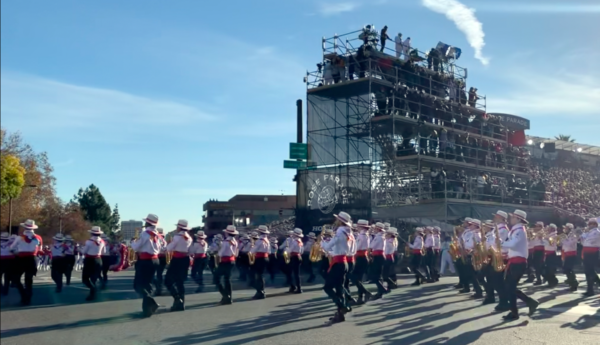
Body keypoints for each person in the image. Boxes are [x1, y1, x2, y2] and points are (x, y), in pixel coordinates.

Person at [501, 210, 539, 321]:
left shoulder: (519, 231)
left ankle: (519, 309)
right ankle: (521, 307)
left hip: (518, 262)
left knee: (510, 287)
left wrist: (500, 242)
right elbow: (509, 245)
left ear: (518, 219)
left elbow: (512, 244)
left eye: (513, 217)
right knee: (509, 287)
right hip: (513, 261)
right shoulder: (514, 230)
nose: (511, 219)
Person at [322, 212, 353, 324]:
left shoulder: (340, 233)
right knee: (339, 288)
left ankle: (342, 306)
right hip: (343, 262)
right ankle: (340, 314)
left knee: (327, 287)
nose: (335, 221)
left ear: (340, 221)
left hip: (338, 263)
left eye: (337, 219)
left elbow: (329, 246)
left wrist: (322, 244)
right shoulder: (347, 232)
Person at [132, 213, 163, 317]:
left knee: (138, 284)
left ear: (147, 223)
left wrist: (133, 242)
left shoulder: (145, 234)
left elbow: (136, 247)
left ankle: (151, 303)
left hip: (145, 260)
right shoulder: (158, 235)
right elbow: (162, 247)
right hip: (155, 259)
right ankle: (147, 310)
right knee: (148, 284)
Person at [10, 220, 43, 306]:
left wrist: (15, 252)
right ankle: (28, 297)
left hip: (21, 259)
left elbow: (11, 248)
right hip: (32, 259)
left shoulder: (19, 237)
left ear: (24, 227)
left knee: (16, 279)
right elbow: (40, 250)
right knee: (28, 280)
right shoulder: (38, 238)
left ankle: (24, 295)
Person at [165, 219, 193, 311]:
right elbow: (190, 251)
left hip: (177, 259)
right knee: (180, 282)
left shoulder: (177, 237)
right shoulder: (189, 237)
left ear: (180, 227)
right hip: (185, 259)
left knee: (167, 281)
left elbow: (169, 248)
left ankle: (177, 298)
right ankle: (181, 304)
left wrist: (165, 246)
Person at [215, 225, 239, 305]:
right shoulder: (235, 241)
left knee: (216, 279)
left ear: (227, 233)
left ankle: (226, 296)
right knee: (227, 279)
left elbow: (220, 253)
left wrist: (218, 249)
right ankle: (228, 297)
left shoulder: (225, 242)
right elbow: (236, 253)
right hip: (232, 260)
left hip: (225, 261)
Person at [80, 226, 106, 301]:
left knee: (85, 279)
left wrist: (81, 249)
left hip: (89, 260)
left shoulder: (89, 242)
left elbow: (83, 251)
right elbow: (104, 252)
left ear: (92, 233)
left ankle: (93, 290)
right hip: (98, 259)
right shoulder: (102, 241)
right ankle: (92, 295)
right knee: (93, 278)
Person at [461, 219, 483, 298]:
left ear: (476, 226)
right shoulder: (471, 233)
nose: (470, 226)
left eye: (472, 225)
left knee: (475, 275)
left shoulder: (477, 234)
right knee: (472, 275)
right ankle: (478, 290)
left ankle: (479, 291)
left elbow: (477, 246)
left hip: (474, 255)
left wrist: (471, 250)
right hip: (469, 254)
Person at [249, 225, 270, 299]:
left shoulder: (259, 241)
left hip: (260, 258)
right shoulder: (267, 240)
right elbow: (269, 251)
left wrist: (251, 249)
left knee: (258, 276)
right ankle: (262, 291)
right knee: (261, 275)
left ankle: (260, 292)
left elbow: (253, 250)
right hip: (265, 257)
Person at [581, 218, 600, 297]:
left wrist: (583, 236)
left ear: (595, 224)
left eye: (591, 224)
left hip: (593, 252)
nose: (589, 225)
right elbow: (582, 242)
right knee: (587, 271)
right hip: (587, 252)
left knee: (590, 270)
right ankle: (590, 290)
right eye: (589, 224)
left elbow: (588, 241)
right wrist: (583, 235)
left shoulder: (597, 232)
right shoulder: (588, 232)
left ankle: (597, 283)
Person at [368, 222, 388, 299]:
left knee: (375, 275)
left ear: (378, 229)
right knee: (378, 275)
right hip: (379, 256)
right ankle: (380, 291)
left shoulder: (378, 237)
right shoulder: (381, 236)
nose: (374, 229)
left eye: (375, 228)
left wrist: (369, 253)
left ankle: (382, 289)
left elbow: (371, 246)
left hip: (378, 256)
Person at [560, 224, 579, 291]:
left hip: (572, 254)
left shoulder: (572, 235)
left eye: (566, 228)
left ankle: (574, 282)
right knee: (566, 269)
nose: (564, 229)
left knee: (569, 269)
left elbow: (569, 244)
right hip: (567, 254)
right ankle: (571, 281)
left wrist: (563, 240)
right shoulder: (566, 236)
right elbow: (563, 245)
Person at [288, 228, 304, 294]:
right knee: (296, 273)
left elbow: (290, 250)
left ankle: (298, 288)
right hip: (298, 256)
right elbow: (302, 251)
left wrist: (286, 251)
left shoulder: (294, 241)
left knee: (295, 274)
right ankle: (296, 287)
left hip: (294, 257)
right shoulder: (300, 241)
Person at [154, 227, 168, 296]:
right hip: (163, 257)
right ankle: (159, 288)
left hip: (157, 257)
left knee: (152, 274)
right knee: (159, 274)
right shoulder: (164, 241)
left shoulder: (157, 239)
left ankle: (158, 287)